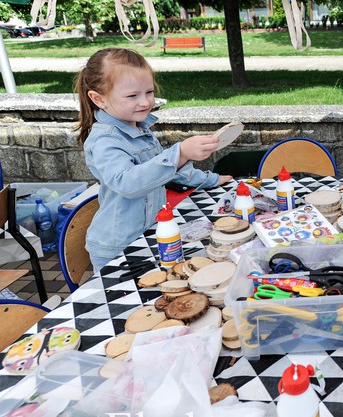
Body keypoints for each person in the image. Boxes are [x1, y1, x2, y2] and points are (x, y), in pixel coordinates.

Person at [74, 48, 233, 272]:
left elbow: (170, 170)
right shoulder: (104, 140)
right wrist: (181, 152)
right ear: (98, 99)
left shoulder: (140, 129)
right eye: (132, 96)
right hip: (118, 247)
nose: (145, 102)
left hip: (150, 233)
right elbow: (127, 183)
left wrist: (211, 179)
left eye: (149, 92)